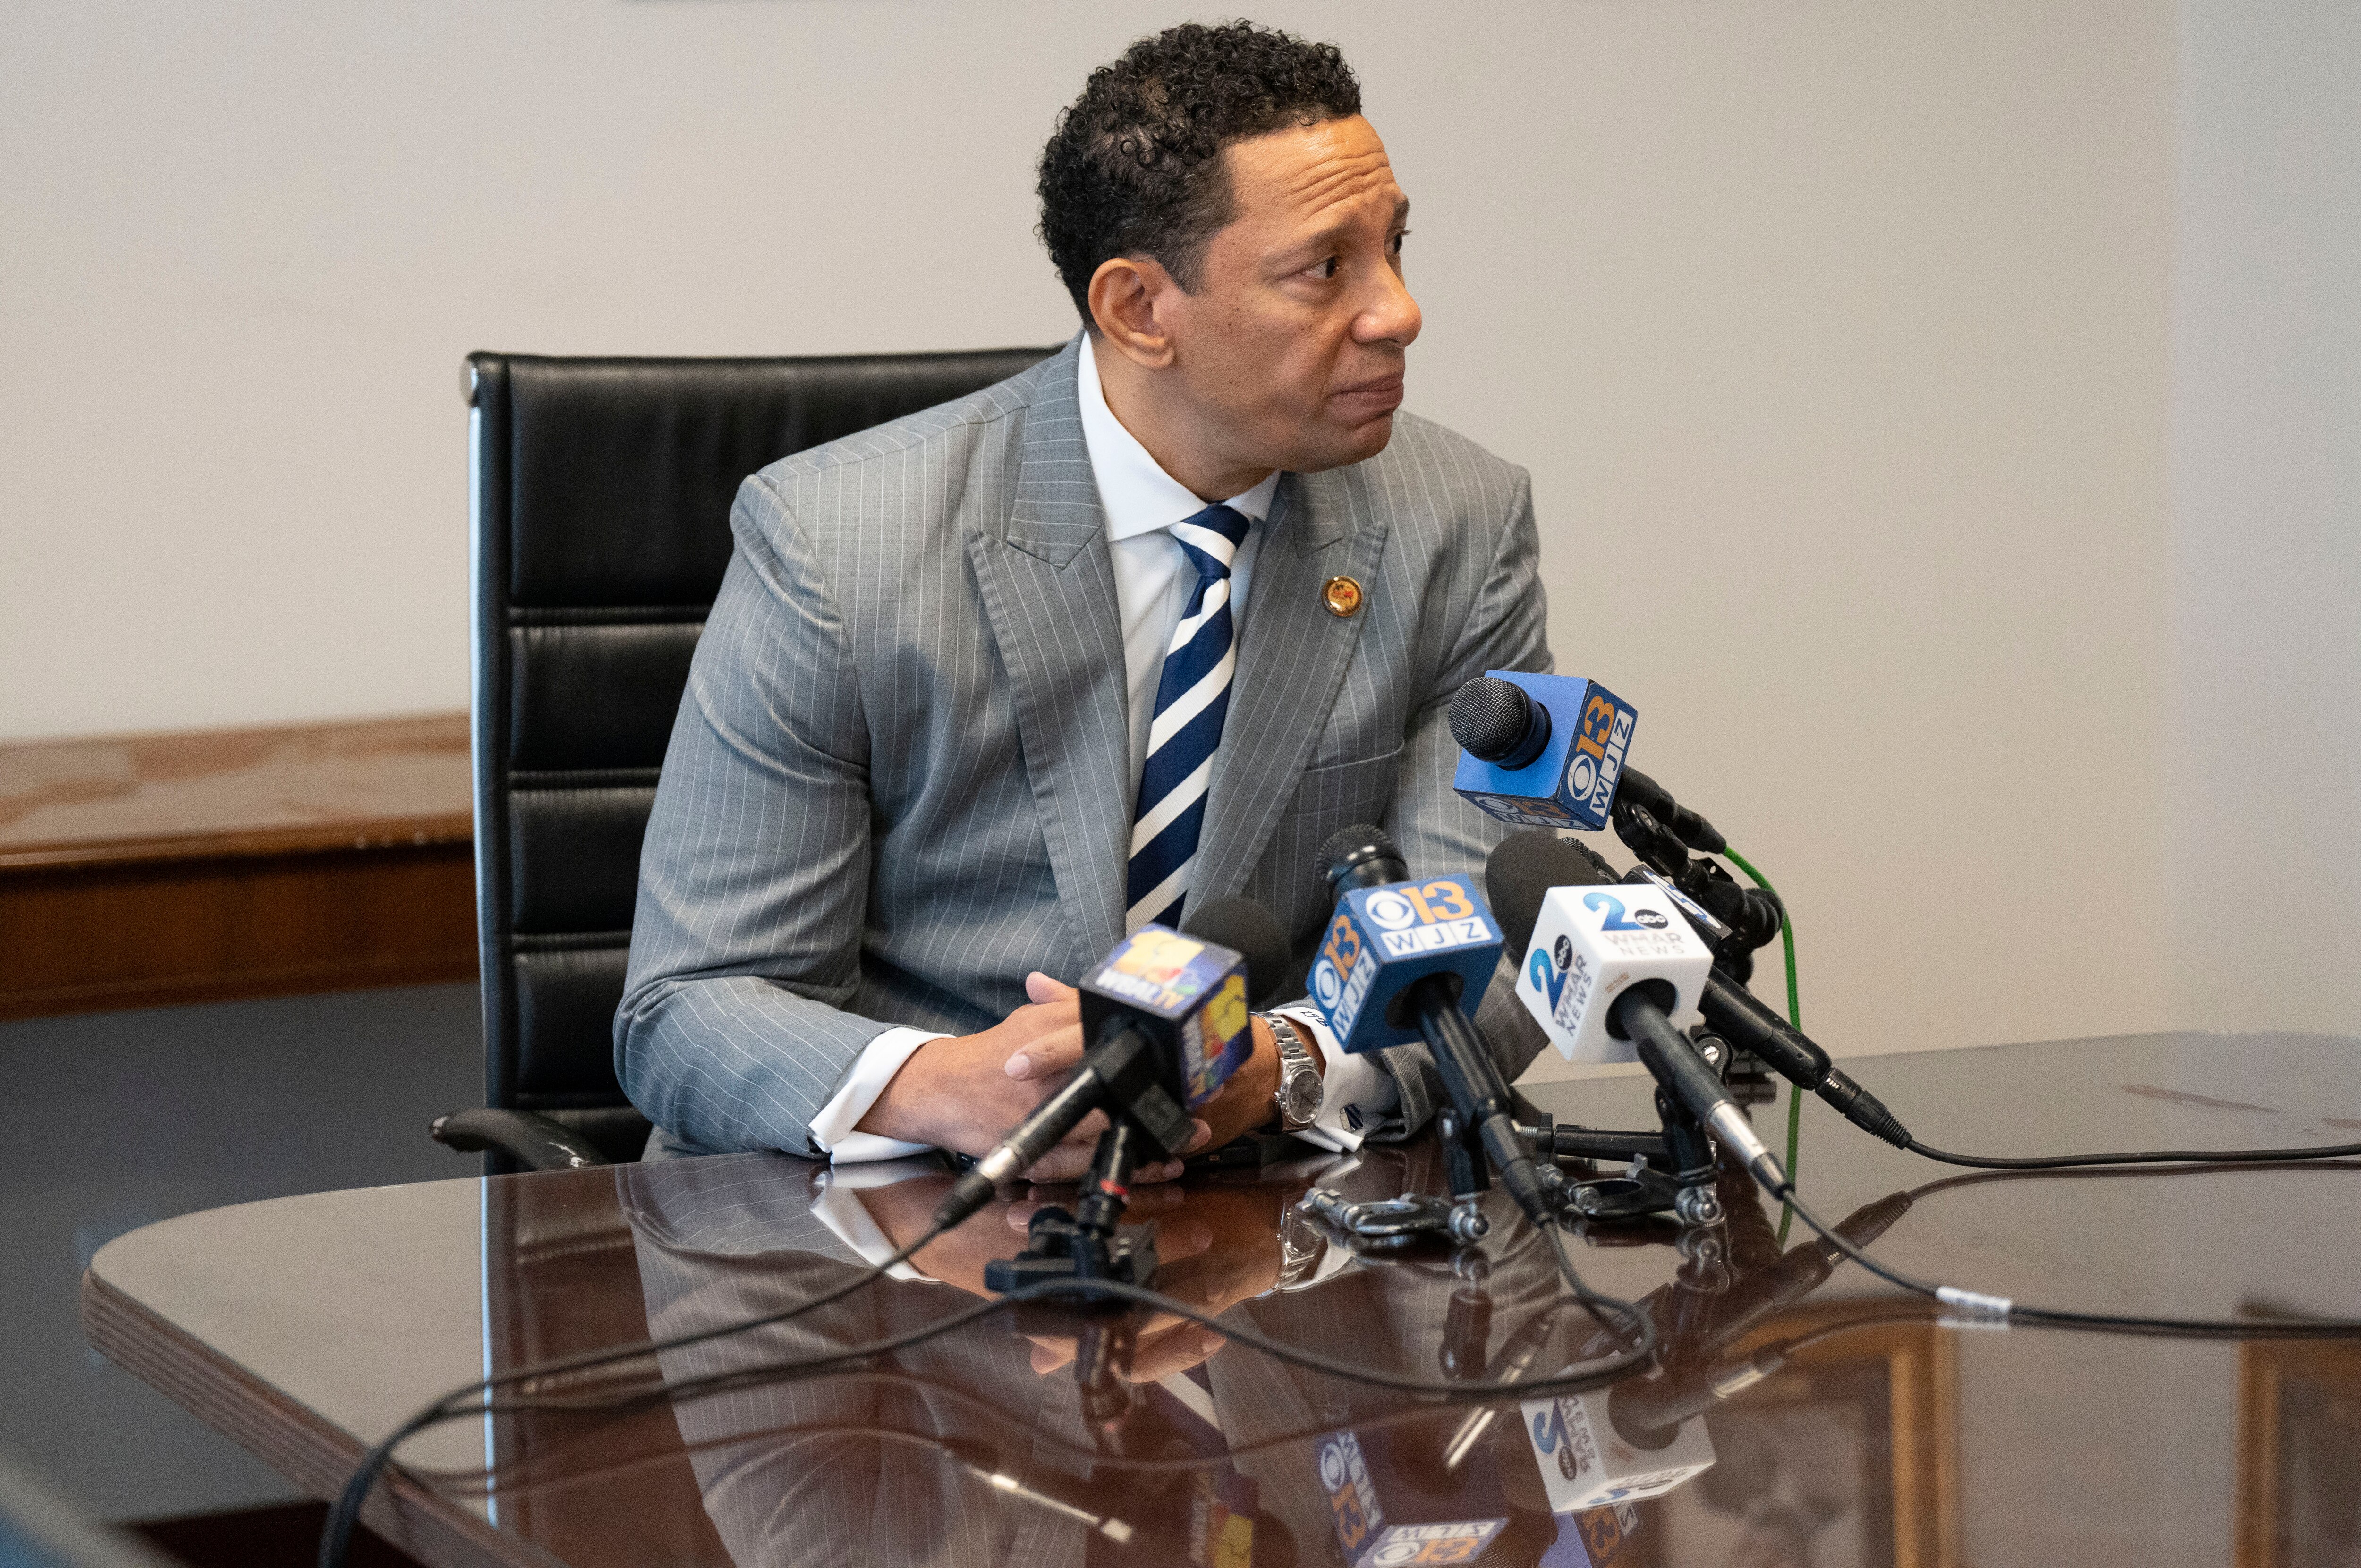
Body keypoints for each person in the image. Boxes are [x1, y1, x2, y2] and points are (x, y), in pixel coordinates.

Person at [619, 20, 1550, 1175]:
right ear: (1137, 310)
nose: (1398, 310)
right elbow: (691, 1003)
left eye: (1395, 246)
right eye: (1326, 268)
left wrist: (1284, 1062)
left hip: (1266, 1225)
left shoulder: (1461, 520)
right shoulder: (834, 542)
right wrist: (945, 1087)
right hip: (899, 1224)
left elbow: (1498, 943)